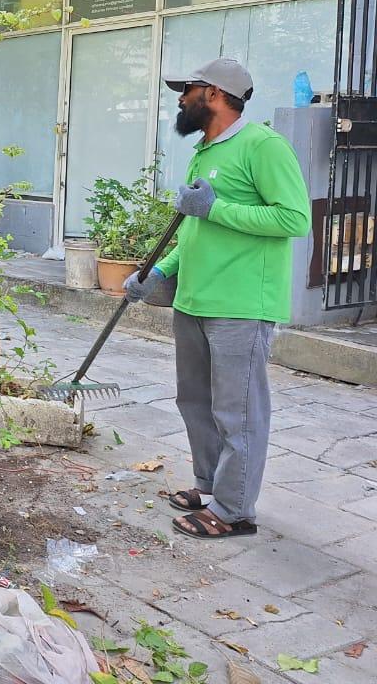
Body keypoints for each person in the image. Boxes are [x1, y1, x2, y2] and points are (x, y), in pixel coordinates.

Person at [124, 58, 309, 541]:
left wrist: (217, 207)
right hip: (195, 299)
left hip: (241, 304)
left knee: (238, 412)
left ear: (214, 93)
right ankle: (210, 487)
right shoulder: (204, 153)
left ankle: (234, 509)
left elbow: (294, 219)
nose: (180, 98)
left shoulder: (263, 146)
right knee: (196, 402)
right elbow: (193, 229)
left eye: (188, 89)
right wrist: (157, 272)